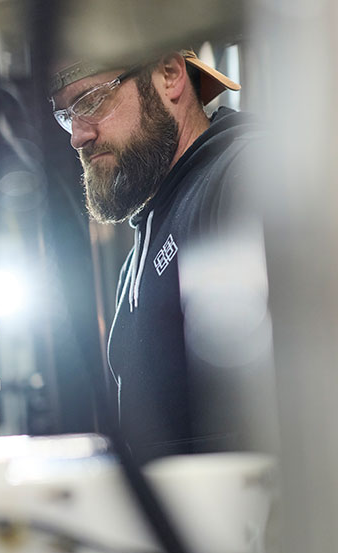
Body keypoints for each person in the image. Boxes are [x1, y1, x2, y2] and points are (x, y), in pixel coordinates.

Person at [49, 49, 261, 463]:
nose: (78, 135)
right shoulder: (140, 251)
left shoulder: (242, 177)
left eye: (91, 100)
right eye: (65, 115)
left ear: (169, 75)